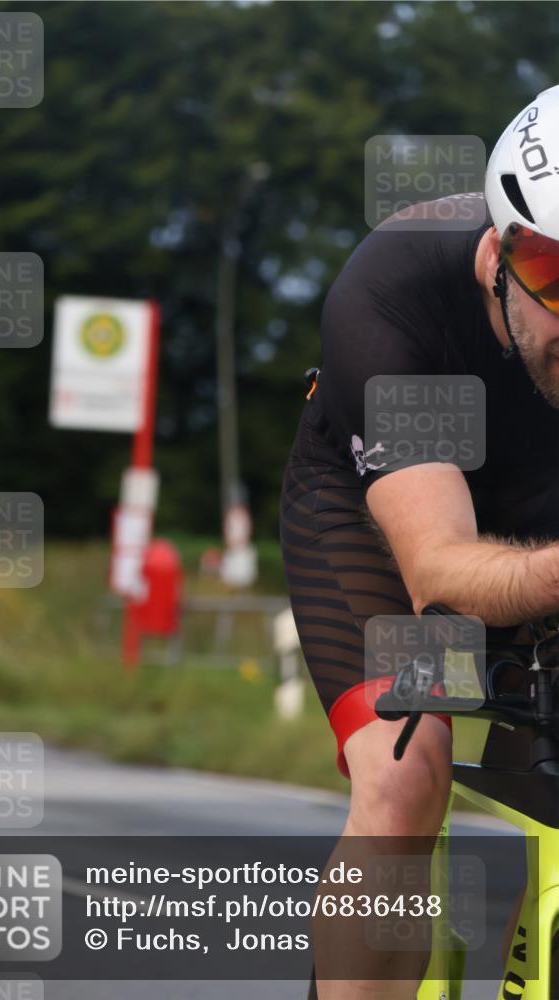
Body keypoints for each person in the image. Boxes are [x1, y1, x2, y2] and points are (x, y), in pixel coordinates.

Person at [279, 86, 559, 999]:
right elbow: (439, 571)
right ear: (495, 252)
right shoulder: (392, 295)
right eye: (558, 276)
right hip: (382, 524)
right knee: (406, 780)